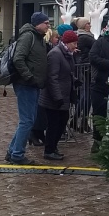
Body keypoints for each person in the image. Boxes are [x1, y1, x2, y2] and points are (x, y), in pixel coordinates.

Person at [6, 12, 50, 165]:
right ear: (37, 24)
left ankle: (12, 151)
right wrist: (29, 76)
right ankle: (17, 154)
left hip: (33, 84)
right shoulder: (28, 37)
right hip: (26, 84)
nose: (48, 25)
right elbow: (18, 58)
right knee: (27, 121)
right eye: (46, 23)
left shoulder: (39, 38)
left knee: (27, 120)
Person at [40, 30, 78, 161]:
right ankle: (49, 150)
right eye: (73, 43)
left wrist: (75, 81)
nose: (75, 45)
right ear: (66, 42)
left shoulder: (68, 54)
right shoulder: (55, 54)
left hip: (63, 95)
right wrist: (57, 97)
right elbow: (52, 77)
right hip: (54, 97)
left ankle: (53, 147)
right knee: (54, 124)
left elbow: (67, 72)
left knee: (61, 122)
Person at [88, 18, 109, 153]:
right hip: (100, 84)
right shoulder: (100, 42)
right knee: (99, 113)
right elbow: (93, 57)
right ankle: (97, 140)